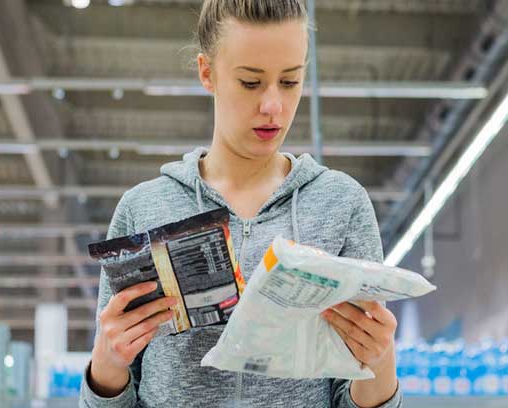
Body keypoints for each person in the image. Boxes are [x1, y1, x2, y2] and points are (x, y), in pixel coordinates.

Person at [79, 0, 402, 407]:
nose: (273, 106)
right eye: (251, 82)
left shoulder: (341, 204)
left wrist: (381, 358)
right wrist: (107, 365)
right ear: (207, 72)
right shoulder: (143, 209)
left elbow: (356, 389)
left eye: (290, 81)